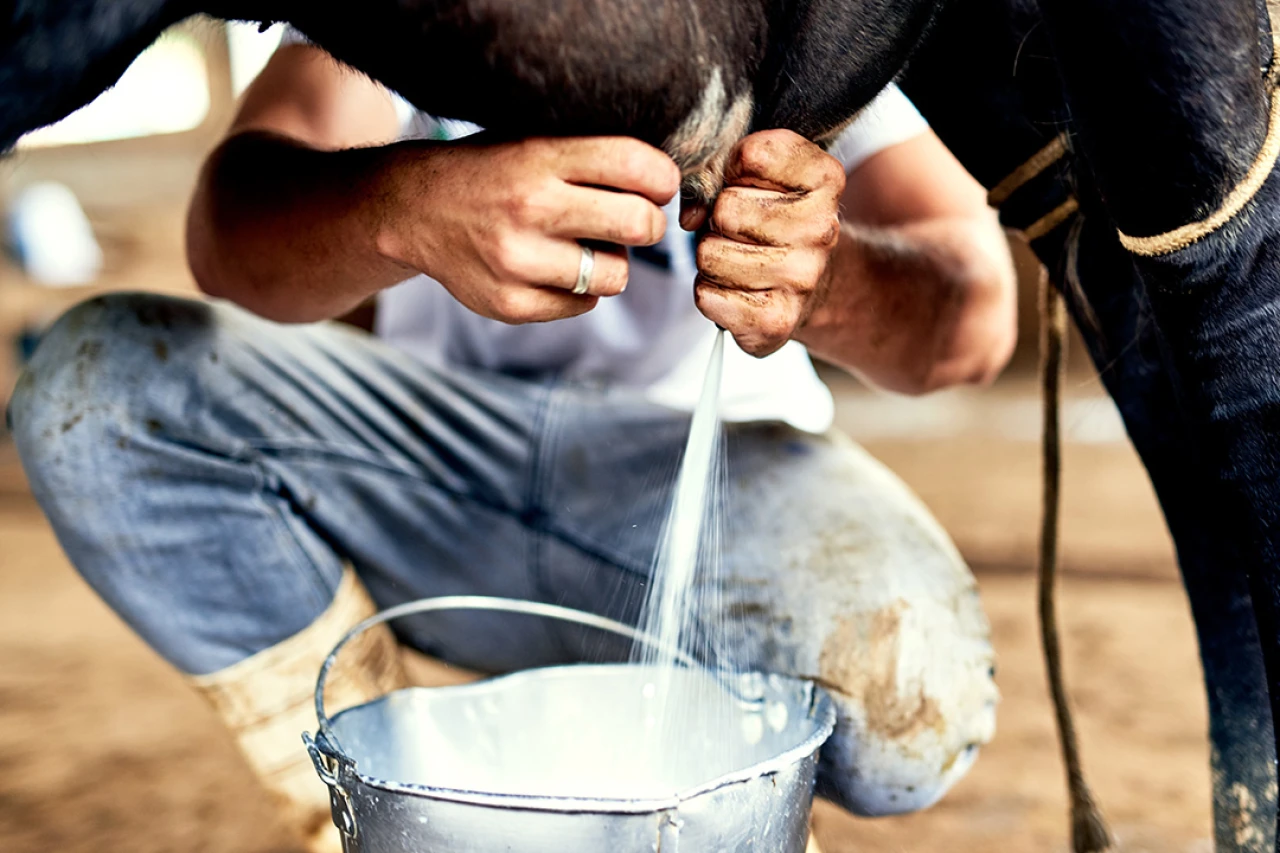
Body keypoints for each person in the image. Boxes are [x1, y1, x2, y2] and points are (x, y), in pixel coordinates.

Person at [6, 30, 1016, 853]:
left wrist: (821, 279)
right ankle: (371, 816)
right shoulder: (417, 26)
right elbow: (226, 233)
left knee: (906, 697)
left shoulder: (790, 28)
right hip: (420, 462)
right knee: (105, 388)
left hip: (702, 485)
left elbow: (974, 319)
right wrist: (405, 204)